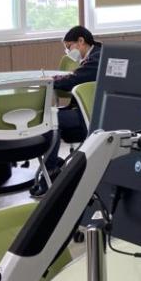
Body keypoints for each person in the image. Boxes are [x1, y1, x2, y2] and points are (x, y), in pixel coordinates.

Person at [31, 26, 102, 197]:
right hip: (90, 112)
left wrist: (50, 81)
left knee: (49, 119)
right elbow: (76, 77)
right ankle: (52, 166)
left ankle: (50, 172)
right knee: (52, 116)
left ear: (81, 41)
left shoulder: (97, 58)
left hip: (91, 117)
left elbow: (74, 80)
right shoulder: (97, 54)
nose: (68, 51)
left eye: (69, 46)